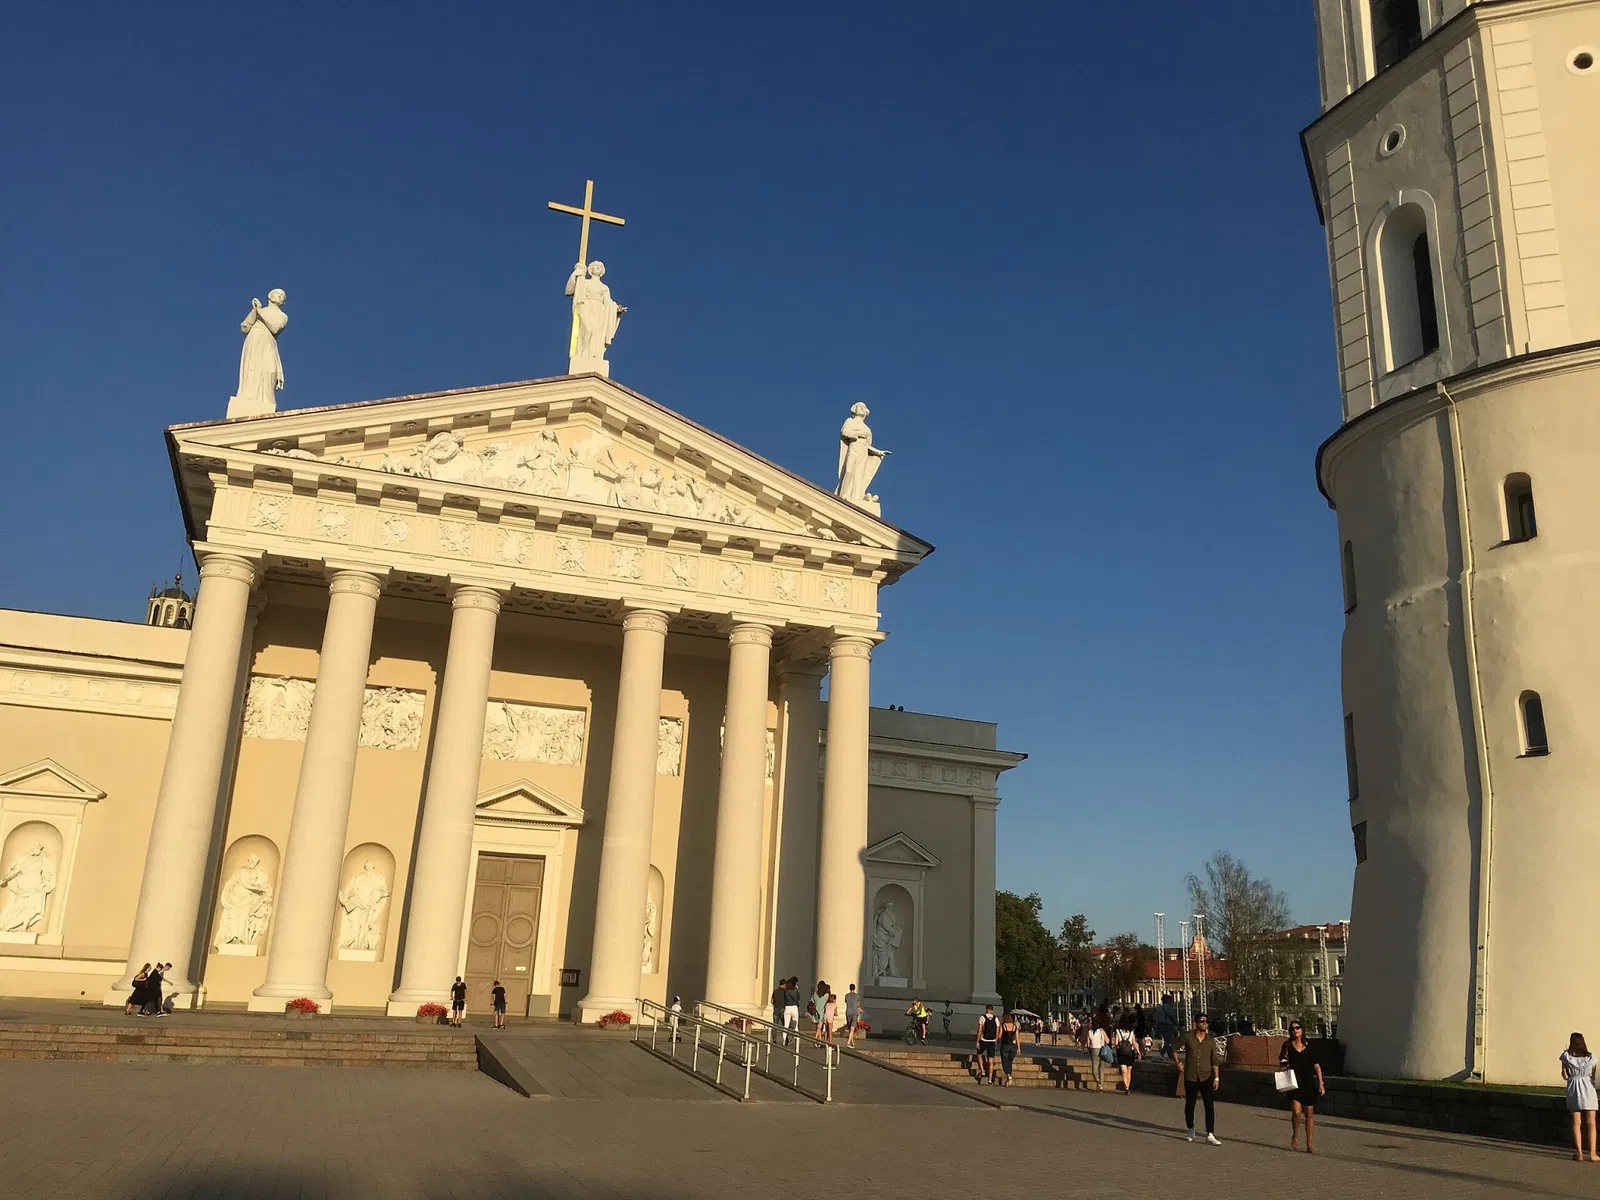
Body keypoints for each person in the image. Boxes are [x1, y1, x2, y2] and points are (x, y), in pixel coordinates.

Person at [1175, 1013, 1223, 1145]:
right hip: (1191, 1076)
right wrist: (1178, 1063)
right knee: (1190, 1104)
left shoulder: (1210, 1041)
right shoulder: (1187, 1037)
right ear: (1196, 1023)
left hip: (1206, 1076)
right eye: (1202, 1021)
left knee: (1209, 1105)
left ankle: (1210, 1134)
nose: (1204, 1024)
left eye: (1206, 1021)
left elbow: (1215, 1060)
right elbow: (1174, 1048)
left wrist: (1217, 1077)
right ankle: (1190, 1128)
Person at [1279, 1020, 1326, 1152]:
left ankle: (1310, 1142)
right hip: (1294, 1082)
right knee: (1297, 1112)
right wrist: (1284, 1067)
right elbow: (1282, 1062)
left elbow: (1317, 1065)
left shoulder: (1310, 1045)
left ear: (1302, 1030)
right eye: (1293, 1029)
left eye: (1298, 1028)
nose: (1295, 1030)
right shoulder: (1287, 1045)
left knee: (1309, 1114)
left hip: (1308, 1082)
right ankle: (1295, 1135)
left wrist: (1321, 1083)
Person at [1560, 1031, 1599, 1162]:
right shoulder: (1591, 1058)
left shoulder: (1566, 1057)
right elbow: (1593, 1076)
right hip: (1588, 1089)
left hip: (1574, 1089)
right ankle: (1593, 1153)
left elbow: (1565, 1076)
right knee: (1591, 1123)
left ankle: (1579, 1153)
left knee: (1576, 1123)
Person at [1116, 1012, 1141, 1094]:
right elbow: (1134, 1043)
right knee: (1129, 1070)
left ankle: (1126, 1086)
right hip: (1130, 1053)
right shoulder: (1131, 1032)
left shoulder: (1118, 1031)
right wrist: (1138, 1052)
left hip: (1121, 1053)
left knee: (1124, 1070)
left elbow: (1116, 1043)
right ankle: (1128, 1087)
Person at [976, 1005, 1001, 1085]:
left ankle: (982, 1070)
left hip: (983, 1040)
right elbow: (997, 1032)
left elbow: (979, 1030)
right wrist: (996, 1041)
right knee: (991, 1061)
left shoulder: (982, 1018)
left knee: (979, 1054)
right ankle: (990, 1080)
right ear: (992, 1010)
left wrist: (977, 1041)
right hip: (992, 1041)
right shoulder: (996, 1019)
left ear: (986, 1010)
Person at [1087, 1018, 1111, 1092]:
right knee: (1101, 1069)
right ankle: (1101, 1087)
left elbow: (1088, 1044)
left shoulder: (1089, 1032)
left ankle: (1098, 1081)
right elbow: (1107, 1040)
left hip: (1094, 1050)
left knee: (1094, 1068)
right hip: (1102, 1050)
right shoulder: (1101, 1031)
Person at [999, 1010, 1020, 1086]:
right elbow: (1017, 1038)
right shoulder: (1015, 1026)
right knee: (1009, 1062)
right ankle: (1009, 1077)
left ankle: (1008, 1075)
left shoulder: (1003, 1025)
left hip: (1005, 1046)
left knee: (1004, 1062)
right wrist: (1018, 1048)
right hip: (1013, 1047)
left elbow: (999, 1036)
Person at [780, 977, 802, 1046]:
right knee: (795, 1025)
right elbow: (799, 997)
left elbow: (784, 998)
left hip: (787, 1007)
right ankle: (797, 1040)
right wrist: (797, 989)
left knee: (786, 1026)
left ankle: (784, 1040)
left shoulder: (786, 990)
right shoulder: (796, 990)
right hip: (794, 1007)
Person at [1158, 994, 1179, 1059]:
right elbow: (1172, 1016)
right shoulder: (1167, 1007)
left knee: (1168, 1041)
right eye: (1170, 1000)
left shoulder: (1159, 1008)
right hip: (1168, 1025)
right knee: (1169, 1041)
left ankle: (1170, 1055)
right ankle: (1162, 1053)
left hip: (1161, 1026)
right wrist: (1177, 1024)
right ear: (1167, 1000)